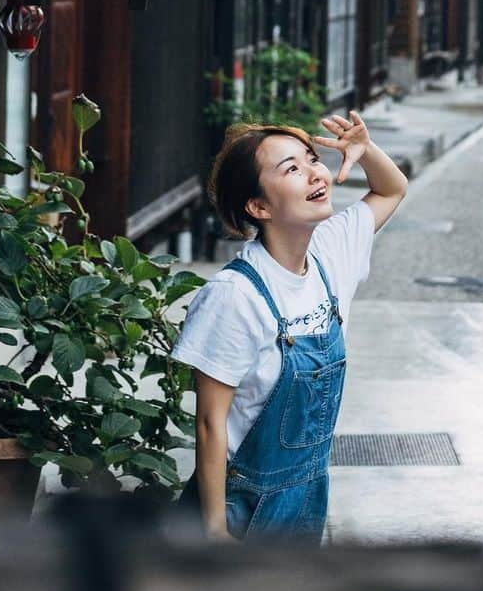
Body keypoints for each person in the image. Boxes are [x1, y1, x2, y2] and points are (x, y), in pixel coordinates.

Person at [171, 111, 408, 544]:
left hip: (308, 496)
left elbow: (392, 188)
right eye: (292, 169)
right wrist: (214, 532)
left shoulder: (331, 250)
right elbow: (209, 424)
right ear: (258, 207)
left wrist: (365, 148)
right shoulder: (234, 296)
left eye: (311, 159)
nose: (315, 173)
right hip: (240, 507)